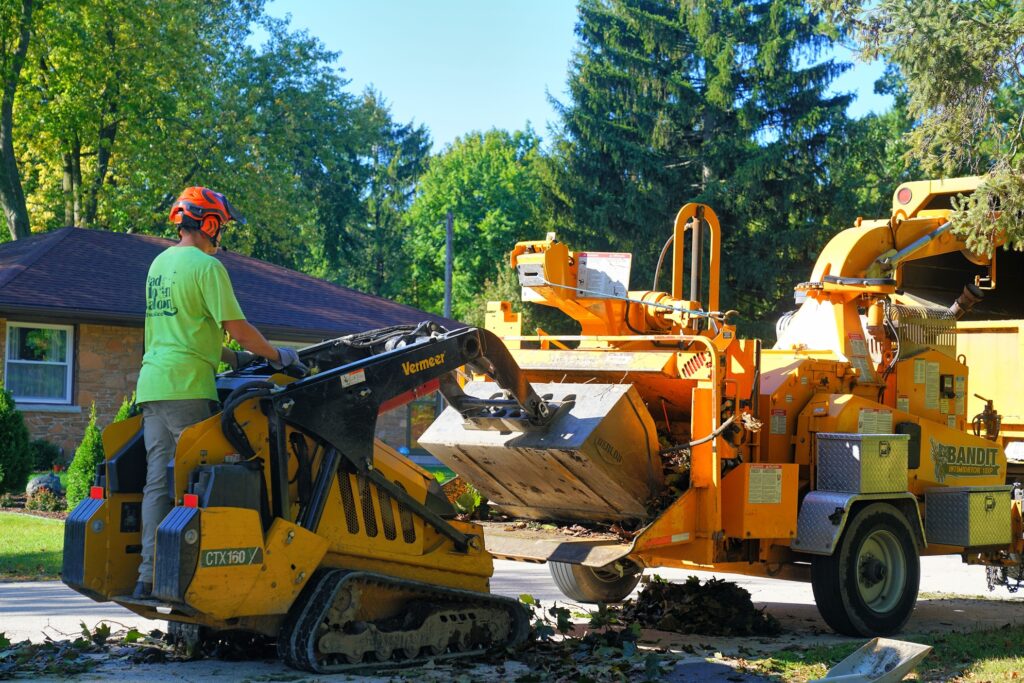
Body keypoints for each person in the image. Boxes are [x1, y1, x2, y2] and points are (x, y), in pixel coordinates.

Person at [132, 187, 303, 599]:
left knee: (158, 482)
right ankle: (192, 579)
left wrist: (228, 357)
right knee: (207, 479)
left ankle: (148, 575)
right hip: (188, 386)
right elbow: (238, 327)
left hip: (153, 384)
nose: (220, 232)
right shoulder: (207, 268)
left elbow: (180, 328)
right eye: (219, 224)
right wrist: (277, 354)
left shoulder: (159, 264)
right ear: (208, 222)